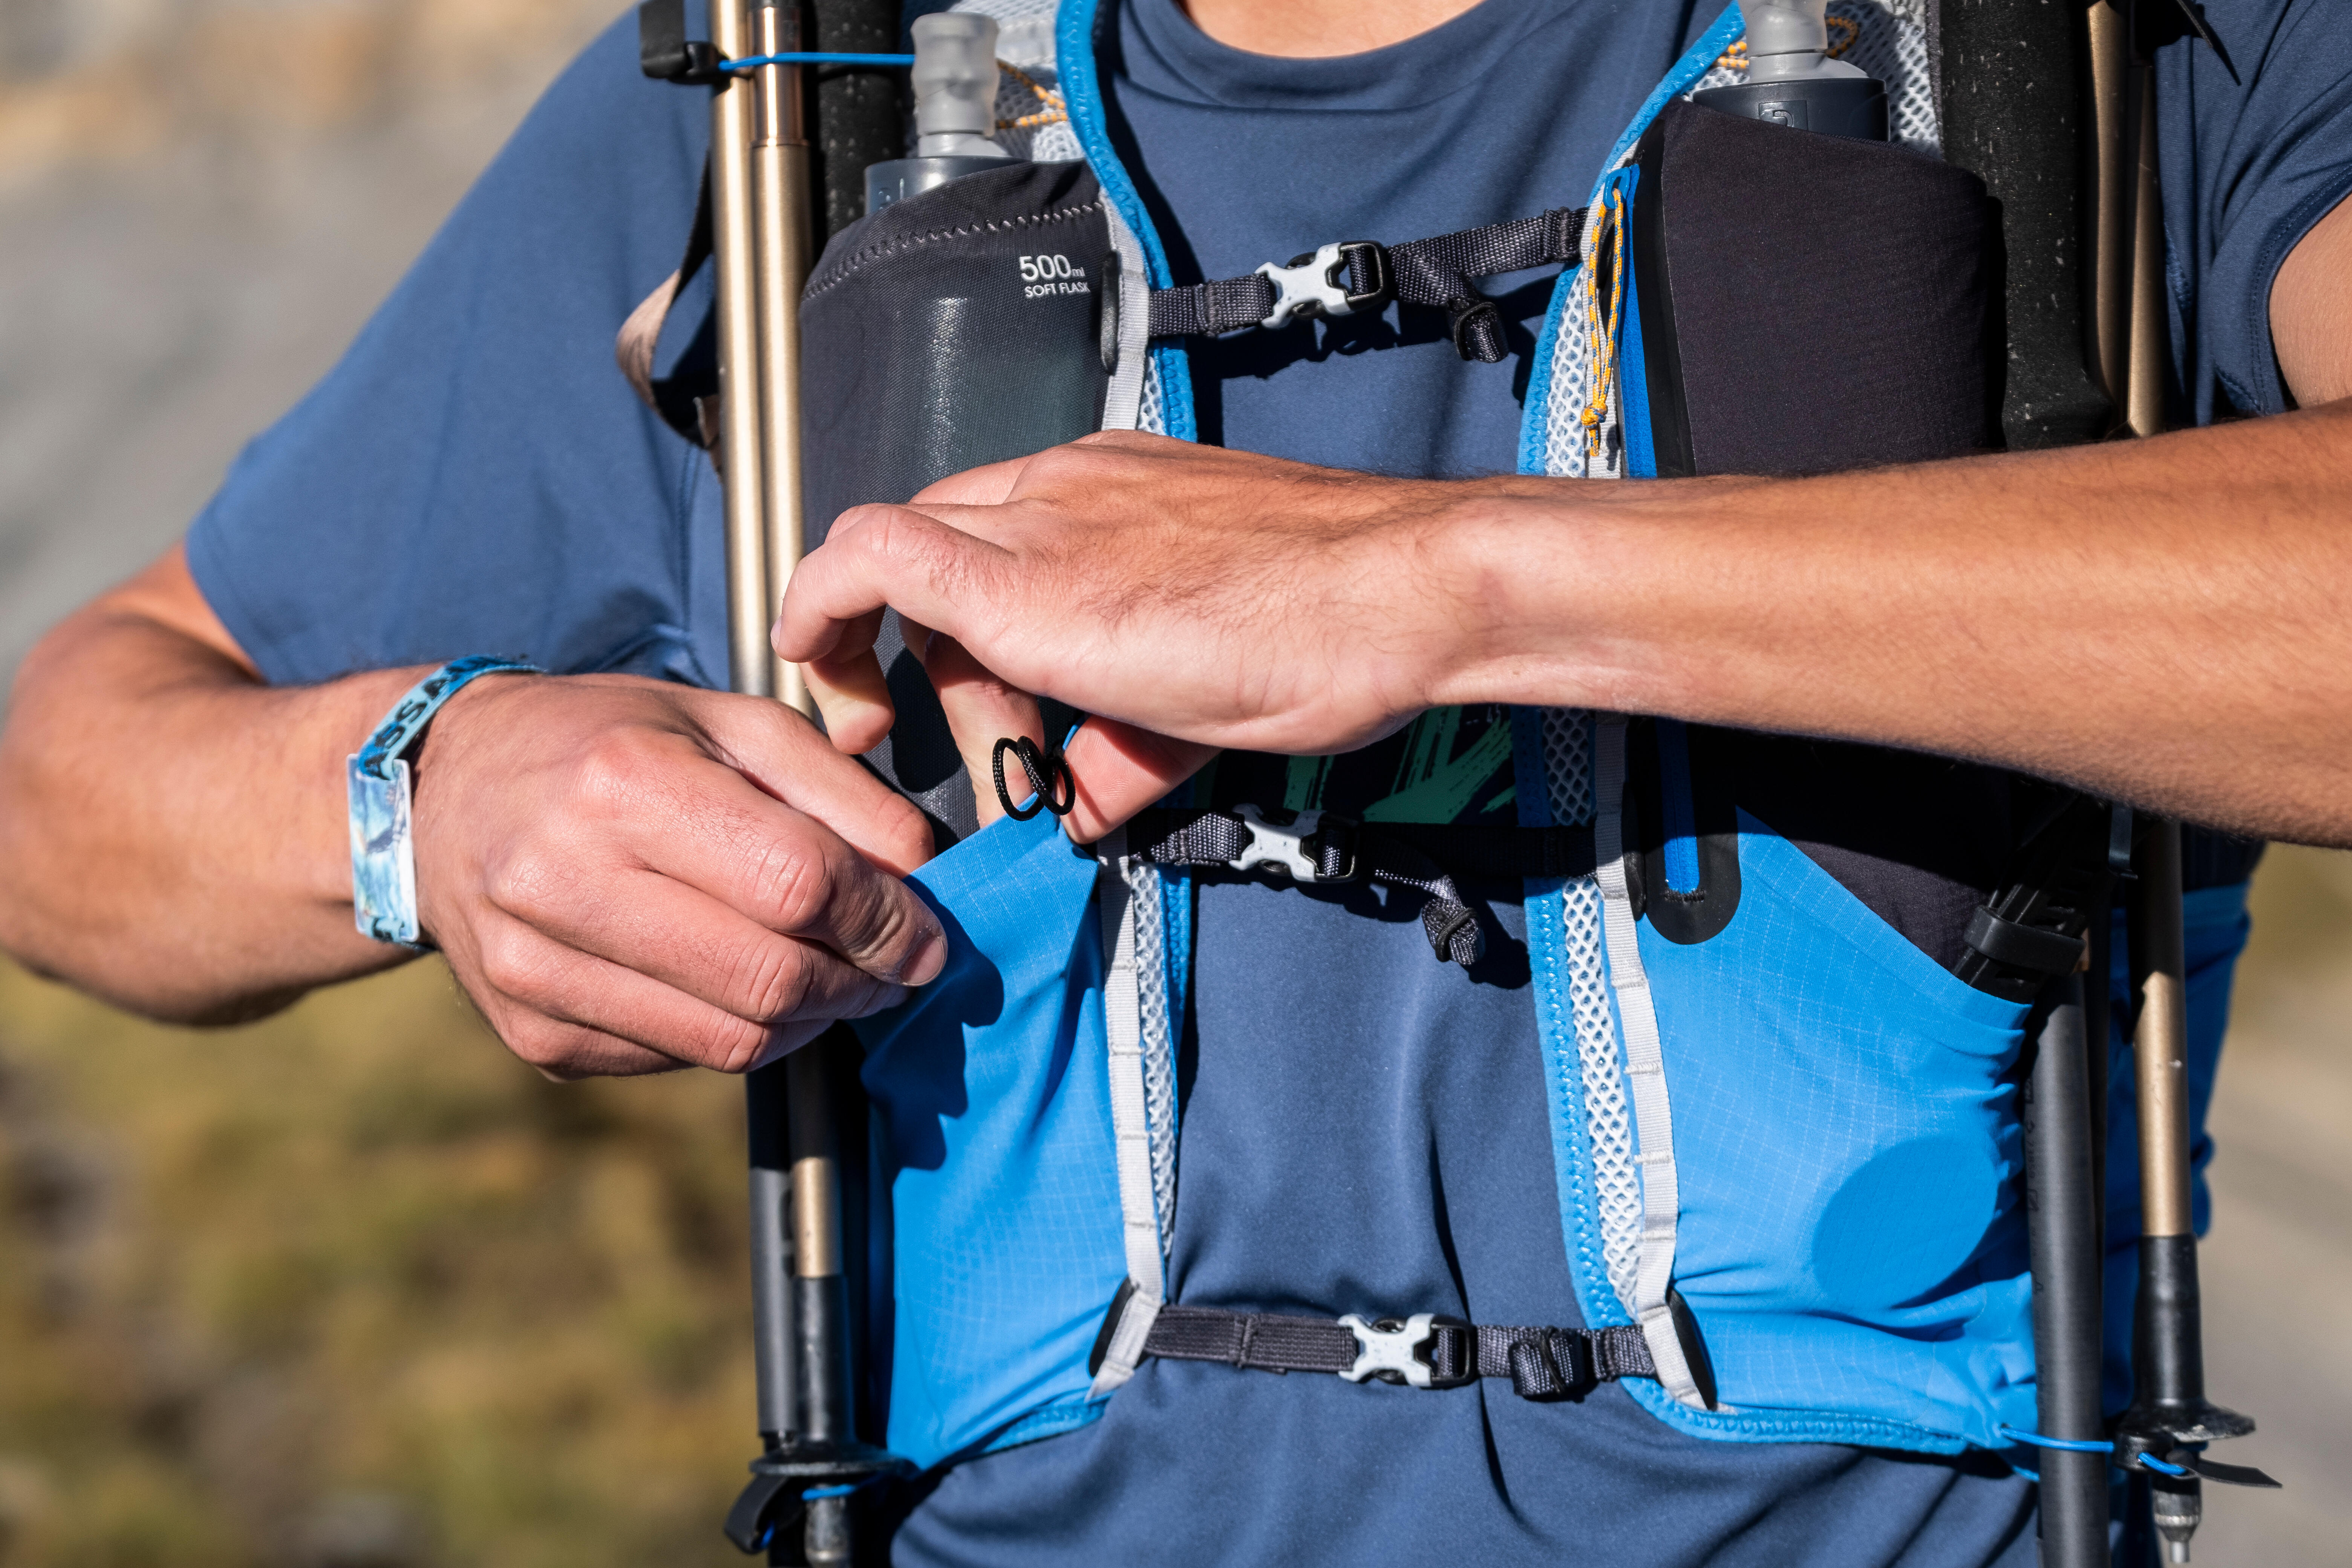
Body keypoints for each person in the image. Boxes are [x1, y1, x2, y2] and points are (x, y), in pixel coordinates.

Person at [0, 0, 2344, 1560]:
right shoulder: (792, 87)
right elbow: (77, 783)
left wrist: (1462, 582)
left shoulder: (2086, 58)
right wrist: (444, 787)